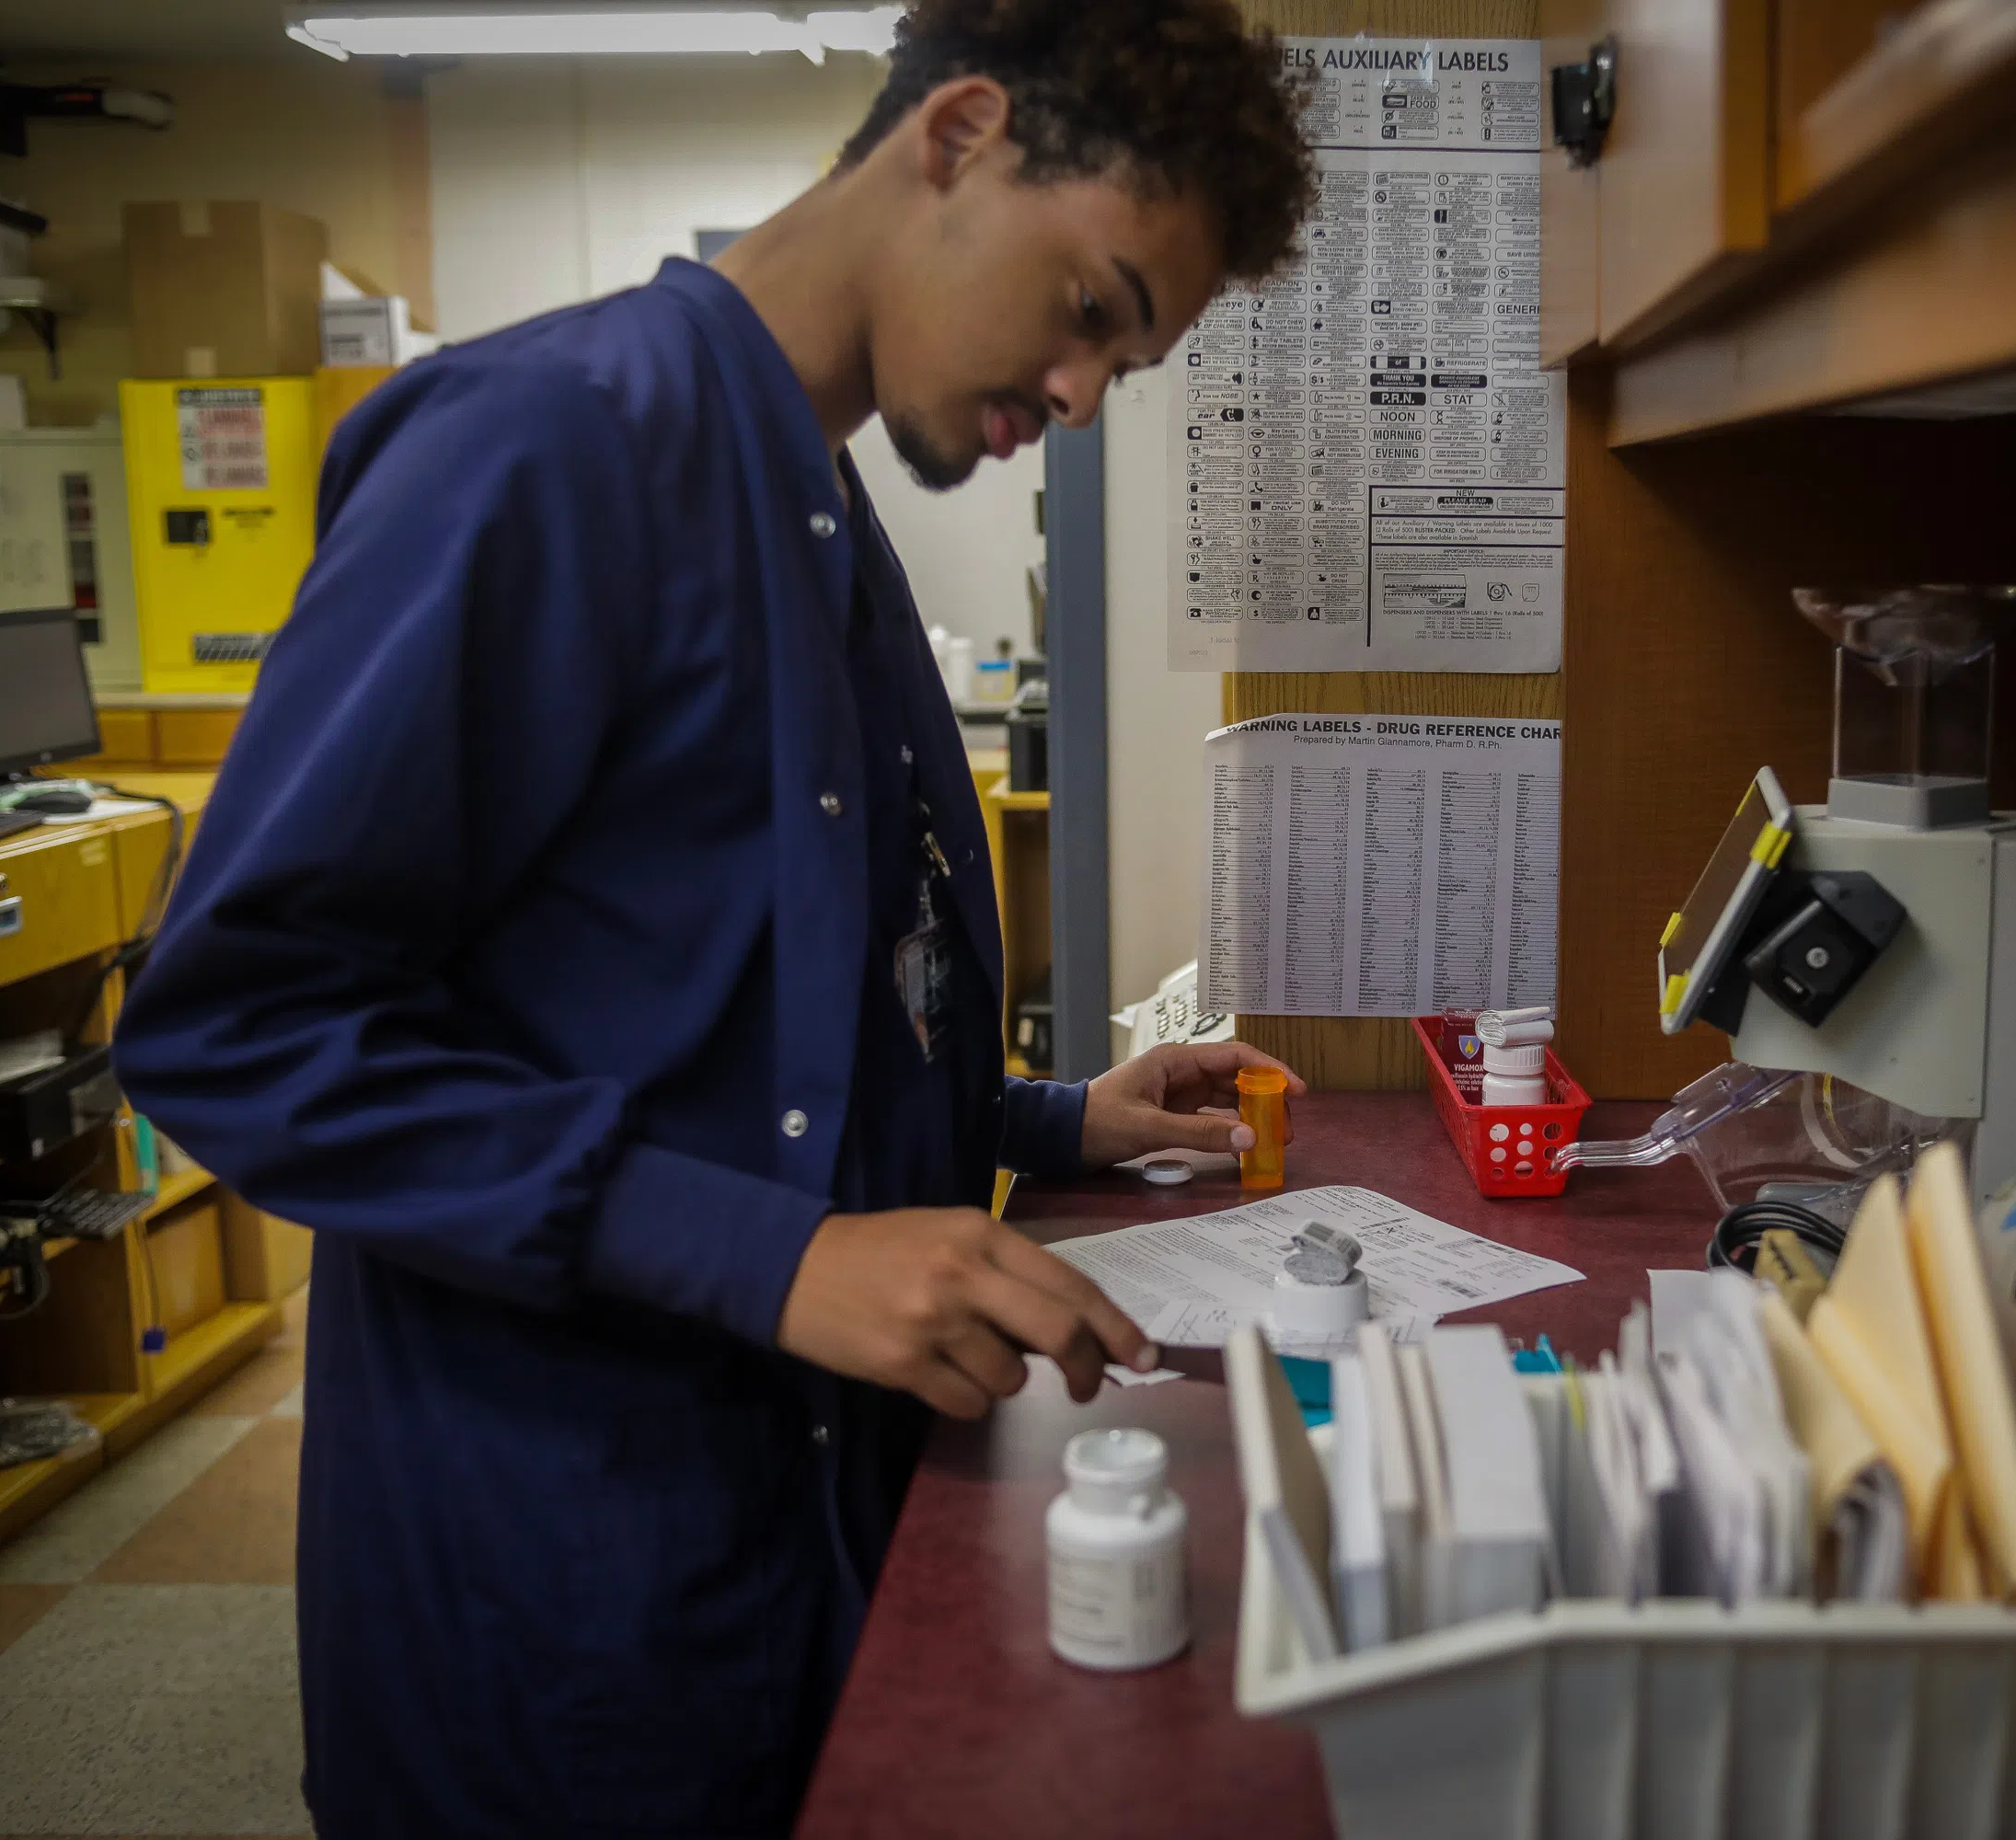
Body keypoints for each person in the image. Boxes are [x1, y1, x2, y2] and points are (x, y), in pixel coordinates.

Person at [110, 4, 1318, 1833]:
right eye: (1093, 310)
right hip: (568, 1583)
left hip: (798, 1536)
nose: (1080, 396)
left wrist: (1049, 1118)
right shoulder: (550, 451)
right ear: (962, 135)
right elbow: (236, 1023)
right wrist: (766, 1258)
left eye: (1121, 366)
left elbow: (763, 1024)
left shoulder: (820, 507)